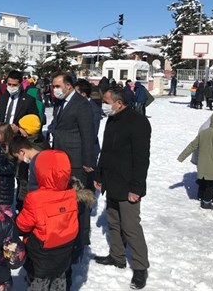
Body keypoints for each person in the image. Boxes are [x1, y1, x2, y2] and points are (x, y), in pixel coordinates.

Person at [94, 87, 151, 290]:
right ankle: (117, 256)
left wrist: (136, 188)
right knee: (113, 221)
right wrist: (99, 175)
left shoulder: (138, 122)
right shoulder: (112, 119)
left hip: (128, 184)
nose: (104, 105)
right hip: (111, 180)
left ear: (118, 103)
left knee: (131, 227)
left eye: (107, 101)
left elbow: (142, 159)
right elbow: (106, 150)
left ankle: (140, 267)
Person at [16, 149, 78, 290]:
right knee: (59, 280)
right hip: (64, 251)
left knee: (39, 283)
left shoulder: (36, 198)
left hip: (41, 255)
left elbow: (22, 226)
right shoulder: (71, 193)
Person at [48, 72, 95, 256]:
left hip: (76, 161)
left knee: (78, 202)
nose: (54, 89)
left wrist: (88, 161)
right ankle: (66, 237)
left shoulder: (82, 105)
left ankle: (79, 243)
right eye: (53, 86)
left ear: (68, 86)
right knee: (65, 202)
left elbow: (87, 134)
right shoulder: (60, 103)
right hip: (60, 158)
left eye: (57, 86)